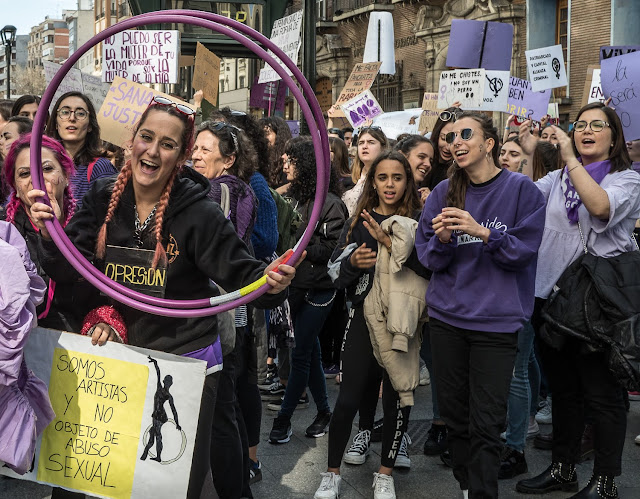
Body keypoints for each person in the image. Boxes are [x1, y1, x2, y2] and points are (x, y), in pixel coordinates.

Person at [28, 96, 298, 499]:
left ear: (181, 156)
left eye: (168, 144)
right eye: (146, 137)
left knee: (167, 481)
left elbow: (242, 277)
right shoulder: (104, 197)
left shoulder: (199, 212)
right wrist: (49, 233)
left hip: (182, 359)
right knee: (97, 478)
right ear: (131, 141)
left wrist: (271, 282)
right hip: (118, 359)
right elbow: (72, 270)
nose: (153, 151)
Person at [416, 111, 546, 498]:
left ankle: (481, 492)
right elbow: (429, 260)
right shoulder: (442, 193)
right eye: (450, 135)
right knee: (456, 422)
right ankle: (469, 487)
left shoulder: (523, 190)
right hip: (447, 321)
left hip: (497, 324)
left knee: (487, 424)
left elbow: (524, 252)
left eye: (465, 133)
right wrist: (441, 239)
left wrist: (482, 232)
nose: (455, 141)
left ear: (489, 144)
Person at [516, 103, 640, 498]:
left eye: (596, 125)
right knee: (565, 391)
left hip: (595, 305)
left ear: (614, 137)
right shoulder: (556, 178)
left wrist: (569, 156)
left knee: (601, 395)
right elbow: (518, 198)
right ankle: (562, 468)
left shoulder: (627, 180)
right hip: (551, 299)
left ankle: (605, 481)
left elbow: (600, 206)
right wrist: (529, 150)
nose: (586, 130)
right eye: (580, 125)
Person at [315, 151, 425, 499]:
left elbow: (429, 269)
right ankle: (331, 474)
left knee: (397, 401)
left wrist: (391, 243)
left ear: (407, 181)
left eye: (397, 177)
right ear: (372, 180)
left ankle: (385, 474)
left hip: (402, 324)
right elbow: (334, 275)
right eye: (382, 177)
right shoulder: (358, 221)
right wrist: (354, 265)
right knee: (347, 399)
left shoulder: (419, 220)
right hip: (363, 318)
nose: (389, 184)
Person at [268, 138, 348, 444]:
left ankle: (283, 419)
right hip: (296, 287)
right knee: (309, 350)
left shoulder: (330, 203)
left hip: (320, 288)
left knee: (300, 351)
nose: (286, 166)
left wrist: (301, 249)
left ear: (307, 167)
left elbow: (335, 248)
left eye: (292, 161)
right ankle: (324, 411)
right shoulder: (297, 200)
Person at [2, 133, 93, 332]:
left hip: (75, 350)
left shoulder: (89, 224)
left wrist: (51, 233)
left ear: (66, 177)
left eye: (47, 169)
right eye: (25, 174)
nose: (37, 178)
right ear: (16, 188)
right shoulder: (5, 233)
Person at [45, 91, 117, 207]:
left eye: (80, 113)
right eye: (65, 112)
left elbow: (106, 216)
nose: (72, 118)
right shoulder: (41, 165)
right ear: (56, 123)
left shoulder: (101, 168)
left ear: (89, 126)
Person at [140, 356, 181, 462]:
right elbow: (158, 373)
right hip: (157, 414)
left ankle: (155, 456)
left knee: (157, 435)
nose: (166, 382)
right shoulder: (159, 387)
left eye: (168, 381)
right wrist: (155, 362)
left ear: (170, 383)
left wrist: (177, 423)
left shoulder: (168, 395)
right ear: (164, 381)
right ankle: (146, 454)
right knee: (153, 433)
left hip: (160, 415)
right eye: (166, 380)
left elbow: (174, 410)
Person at [342, 126, 388, 217]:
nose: (365, 146)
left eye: (371, 142)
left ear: (382, 148)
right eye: (361, 143)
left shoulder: (387, 178)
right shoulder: (350, 177)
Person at [394, 134, 435, 205]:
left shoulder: (425, 198)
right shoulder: (381, 189)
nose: (428, 164)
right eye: (421, 157)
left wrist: (428, 207)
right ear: (402, 155)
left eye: (431, 161)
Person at [259, 116, 292, 191]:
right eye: (260, 135)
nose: (263, 138)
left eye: (266, 133)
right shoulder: (259, 160)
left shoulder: (289, 161)